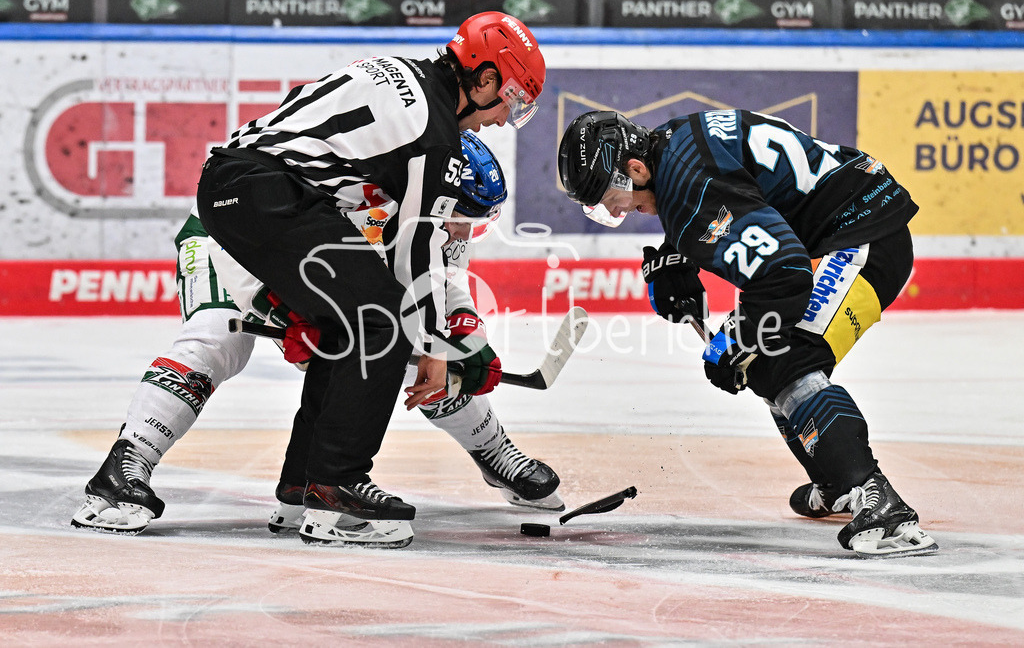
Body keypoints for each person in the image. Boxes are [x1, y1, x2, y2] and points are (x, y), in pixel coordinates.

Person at [70, 130, 562, 540]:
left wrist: (465, 335)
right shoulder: (366, 189)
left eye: (474, 227)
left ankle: (489, 453)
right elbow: (276, 238)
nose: (462, 235)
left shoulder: (430, 206)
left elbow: (437, 285)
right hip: (233, 241)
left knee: (421, 343)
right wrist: (288, 310)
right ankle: (122, 469)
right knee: (218, 339)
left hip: (313, 262)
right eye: (460, 221)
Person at [556, 108, 938, 558]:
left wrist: (738, 339)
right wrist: (677, 251)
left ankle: (878, 500)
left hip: (864, 232)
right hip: (849, 215)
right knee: (763, 356)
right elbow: (732, 188)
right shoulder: (670, 141)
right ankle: (837, 480)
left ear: (635, 168)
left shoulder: (683, 191)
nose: (615, 209)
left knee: (781, 354)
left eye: (608, 197)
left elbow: (783, 273)